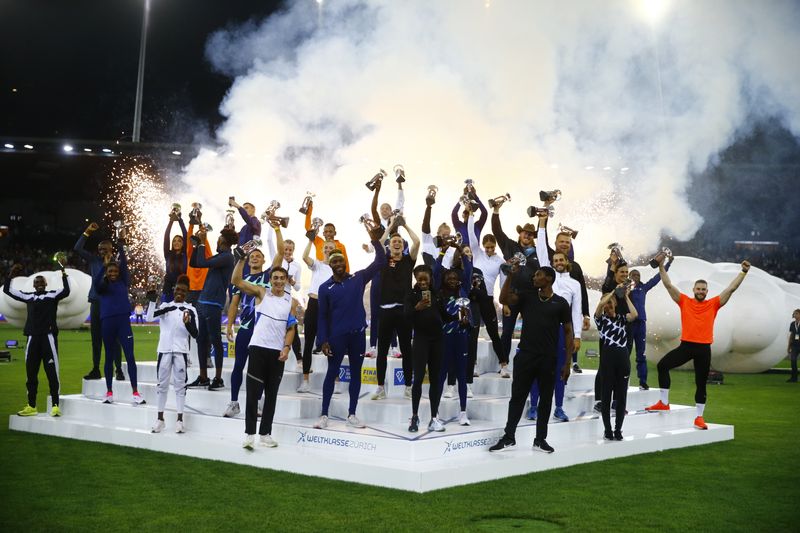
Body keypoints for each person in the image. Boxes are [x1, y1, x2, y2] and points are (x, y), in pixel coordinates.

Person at [645, 258, 752, 430]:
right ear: (693, 290)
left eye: (703, 289)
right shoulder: (684, 301)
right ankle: (664, 402)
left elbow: (731, 289)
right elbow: (668, 285)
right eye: (698, 289)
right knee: (663, 365)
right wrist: (661, 267)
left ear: (707, 292)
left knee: (701, 384)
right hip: (686, 346)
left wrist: (744, 272)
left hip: (703, 349)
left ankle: (699, 418)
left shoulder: (713, 304)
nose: (701, 291)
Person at [490, 265, 573, 454]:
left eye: (538, 275)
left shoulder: (560, 303)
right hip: (526, 355)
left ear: (549, 279)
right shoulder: (527, 296)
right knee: (517, 398)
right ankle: (509, 437)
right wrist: (510, 276)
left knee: (545, 400)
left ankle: (540, 439)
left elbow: (568, 332)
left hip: (549, 358)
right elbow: (504, 299)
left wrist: (567, 362)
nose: (534, 278)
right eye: (534, 275)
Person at [313, 223, 386, 430]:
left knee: (356, 373)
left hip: (357, 335)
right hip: (336, 337)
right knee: (331, 373)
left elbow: (380, 260)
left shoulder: (358, 278)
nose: (338, 264)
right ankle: (324, 414)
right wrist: (323, 340)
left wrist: (374, 240)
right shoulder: (325, 287)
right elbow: (323, 316)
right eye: (334, 261)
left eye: (341, 261)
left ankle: (352, 414)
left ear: (345, 262)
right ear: (329, 263)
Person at [232, 254, 298, 450]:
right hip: (258, 348)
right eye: (275, 278)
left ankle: (265, 434)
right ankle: (249, 434)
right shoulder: (261, 293)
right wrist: (241, 260)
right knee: (253, 393)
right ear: (270, 280)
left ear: (286, 281)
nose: (278, 281)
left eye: (281, 278)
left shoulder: (291, 302)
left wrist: (286, 348)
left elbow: (291, 328)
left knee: (271, 395)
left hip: (277, 353)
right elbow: (236, 281)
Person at [223, 243, 282, 417]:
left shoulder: (269, 276)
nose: (255, 257)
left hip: (263, 331)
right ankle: (234, 403)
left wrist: (276, 228)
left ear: (264, 260)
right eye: (252, 256)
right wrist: (229, 325)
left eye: (258, 256)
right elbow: (234, 304)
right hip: (246, 329)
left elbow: (279, 252)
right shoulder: (241, 278)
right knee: (238, 366)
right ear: (247, 261)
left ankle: (257, 402)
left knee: (259, 369)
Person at [528, 233, 583, 422]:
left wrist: (577, 336)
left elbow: (576, 312)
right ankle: (533, 406)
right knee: (537, 369)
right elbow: (541, 247)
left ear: (567, 262)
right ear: (551, 263)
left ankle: (559, 407)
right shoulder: (548, 278)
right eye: (555, 260)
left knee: (561, 369)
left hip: (562, 331)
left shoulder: (574, 284)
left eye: (561, 260)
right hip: (542, 330)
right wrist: (542, 223)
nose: (558, 262)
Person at [5, 262, 70, 417]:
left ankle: (55, 405)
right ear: (33, 286)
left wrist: (63, 273)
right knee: (31, 374)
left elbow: (66, 291)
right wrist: (11, 275)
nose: (39, 284)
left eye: (41, 282)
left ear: (46, 284)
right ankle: (31, 405)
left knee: (52, 373)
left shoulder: (52, 294)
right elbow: (8, 290)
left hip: (48, 339)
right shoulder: (28, 296)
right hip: (32, 339)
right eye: (37, 283)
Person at [371, 221, 420, 401]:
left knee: (407, 350)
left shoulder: (408, 260)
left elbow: (416, 242)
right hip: (385, 311)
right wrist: (391, 227)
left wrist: (405, 226)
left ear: (403, 246)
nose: (397, 243)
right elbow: (379, 242)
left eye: (400, 242)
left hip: (404, 312)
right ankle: (380, 388)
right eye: (394, 242)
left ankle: (408, 386)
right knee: (382, 351)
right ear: (389, 246)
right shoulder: (383, 259)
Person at [491, 201, 541, 373]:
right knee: (507, 331)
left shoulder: (540, 251)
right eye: (525, 233)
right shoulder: (511, 246)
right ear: (520, 234)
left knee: (530, 331)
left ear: (533, 236)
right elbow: (497, 232)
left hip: (532, 296)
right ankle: (503, 364)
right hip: (512, 294)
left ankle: (526, 362)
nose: (527, 235)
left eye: (530, 233)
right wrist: (496, 211)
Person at [538, 212, 590, 373]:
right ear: (556, 243)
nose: (565, 244)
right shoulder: (547, 264)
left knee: (562, 365)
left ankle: (573, 362)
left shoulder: (575, 269)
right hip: (546, 322)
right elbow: (541, 245)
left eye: (567, 242)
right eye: (561, 241)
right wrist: (542, 221)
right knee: (544, 364)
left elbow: (581, 295)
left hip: (565, 323)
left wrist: (586, 315)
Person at [93, 235, 143, 404]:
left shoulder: (123, 281)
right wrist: (105, 266)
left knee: (129, 356)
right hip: (107, 322)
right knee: (108, 357)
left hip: (123, 323)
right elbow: (95, 284)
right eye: (110, 271)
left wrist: (121, 248)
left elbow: (126, 267)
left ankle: (135, 393)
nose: (113, 273)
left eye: (115, 271)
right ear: (106, 273)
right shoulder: (102, 286)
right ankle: (109, 392)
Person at [186, 225, 237, 390]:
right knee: (201, 340)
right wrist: (196, 246)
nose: (216, 241)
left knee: (215, 340)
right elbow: (194, 263)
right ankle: (203, 377)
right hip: (204, 301)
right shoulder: (221, 256)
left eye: (218, 239)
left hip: (214, 303)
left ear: (224, 242)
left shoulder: (228, 257)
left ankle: (218, 378)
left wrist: (201, 244)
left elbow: (201, 263)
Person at [146, 275, 198, 434]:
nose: (180, 292)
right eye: (178, 289)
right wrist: (153, 302)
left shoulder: (191, 310)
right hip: (164, 350)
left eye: (183, 290)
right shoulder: (166, 306)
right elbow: (149, 318)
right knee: (162, 385)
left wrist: (188, 323)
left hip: (181, 351)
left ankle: (180, 420)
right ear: (174, 289)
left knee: (180, 385)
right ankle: (160, 419)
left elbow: (196, 334)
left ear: (187, 292)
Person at [73, 222, 122, 381]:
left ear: (111, 250)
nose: (101, 252)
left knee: (114, 338)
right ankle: (95, 369)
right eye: (100, 249)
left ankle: (119, 370)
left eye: (105, 249)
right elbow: (77, 249)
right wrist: (87, 232)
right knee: (96, 339)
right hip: (96, 302)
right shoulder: (94, 260)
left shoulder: (117, 264)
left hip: (111, 304)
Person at [435, 243, 474, 426]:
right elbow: (436, 269)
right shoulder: (440, 292)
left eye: (454, 277)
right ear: (444, 280)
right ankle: (435, 414)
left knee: (461, 375)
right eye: (448, 277)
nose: (452, 279)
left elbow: (469, 267)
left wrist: (459, 248)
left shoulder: (463, 289)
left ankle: (463, 412)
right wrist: (442, 251)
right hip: (444, 338)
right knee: (441, 374)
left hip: (461, 337)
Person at [404, 265, 446, 432]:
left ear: (430, 279)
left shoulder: (437, 295)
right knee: (419, 379)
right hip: (421, 340)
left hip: (438, 341)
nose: (422, 282)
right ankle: (414, 417)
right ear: (415, 278)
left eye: (425, 279)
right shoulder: (411, 295)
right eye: (419, 279)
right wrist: (417, 308)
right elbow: (406, 316)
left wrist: (460, 317)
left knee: (435, 380)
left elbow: (444, 316)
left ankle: (434, 418)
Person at [594, 287, 637, 441]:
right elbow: (599, 308)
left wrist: (625, 297)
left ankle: (618, 429)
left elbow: (635, 314)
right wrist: (611, 293)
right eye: (606, 303)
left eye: (611, 303)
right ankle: (608, 429)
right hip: (608, 360)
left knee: (621, 397)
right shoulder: (601, 319)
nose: (608, 305)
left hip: (622, 359)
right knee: (606, 396)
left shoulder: (621, 318)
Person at [467, 213, 506, 377]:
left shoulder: (501, 261)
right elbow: (471, 234)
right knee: (473, 332)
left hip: (488, 299)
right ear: (483, 246)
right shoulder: (477, 253)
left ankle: (503, 364)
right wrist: (470, 215)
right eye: (487, 247)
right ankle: (473, 365)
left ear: (495, 246)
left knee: (493, 332)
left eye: (492, 247)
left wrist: (505, 303)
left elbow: (503, 283)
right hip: (474, 298)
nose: (489, 249)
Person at [297, 233, 335, 392]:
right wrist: (310, 240)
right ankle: (305, 380)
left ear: (336, 250)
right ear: (322, 250)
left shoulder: (337, 268)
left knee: (331, 344)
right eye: (325, 248)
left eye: (331, 248)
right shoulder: (318, 264)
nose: (327, 250)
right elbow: (305, 256)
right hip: (313, 303)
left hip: (329, 307)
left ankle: (336, 380)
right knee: (308, 343)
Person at [628, 260, 672, 390]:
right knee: (626, 353)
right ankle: (624, 379)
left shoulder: (643, 287)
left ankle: (642, 381)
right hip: (629, 324)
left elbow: (657, 278)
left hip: (641, 323)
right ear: (629, 277)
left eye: (638, 276)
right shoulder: (626, 289)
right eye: (634, 275)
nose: (636, 277)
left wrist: (667, 265)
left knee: (641, 353)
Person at [304, 199, 350, 272]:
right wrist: (309, 209)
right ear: (323, 233)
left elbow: (345, 263)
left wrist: (346, 278)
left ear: (335, 233)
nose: (328, 234)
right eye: (326, 232)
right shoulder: (319, 242)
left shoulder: (341, 246)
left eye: (330, 231)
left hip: (336, 274)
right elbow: (308, 228)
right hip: (320, 272)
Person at [228, 198, 261, 276]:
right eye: (244, 208)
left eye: (246, 208)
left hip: (248, 256)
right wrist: (230, 228)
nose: (245, 210)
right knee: (233, 280)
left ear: (253, 209)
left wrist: (238, 207)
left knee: (244, 280)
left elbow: (249, 221)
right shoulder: (244, 227)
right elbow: (235, 239)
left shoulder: (256, 222)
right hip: (238, 256)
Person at [162, 210, 187, 302]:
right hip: (168, 291)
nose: (176, 242)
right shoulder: (168, 254)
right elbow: (166, 236)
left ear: (183, 243)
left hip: (182, 291)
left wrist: (180, 220)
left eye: (179, 241)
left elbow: (185, 234)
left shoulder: (185, 254)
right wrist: (171, 221)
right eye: (174, 241)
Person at [788, 309, 800, 383]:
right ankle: (794, 378)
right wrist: (789, 346)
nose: (795, 315)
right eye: (794, 314)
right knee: (793, 360)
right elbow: (792, 335)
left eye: (796, 313)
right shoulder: (792, 324)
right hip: (794, 345)